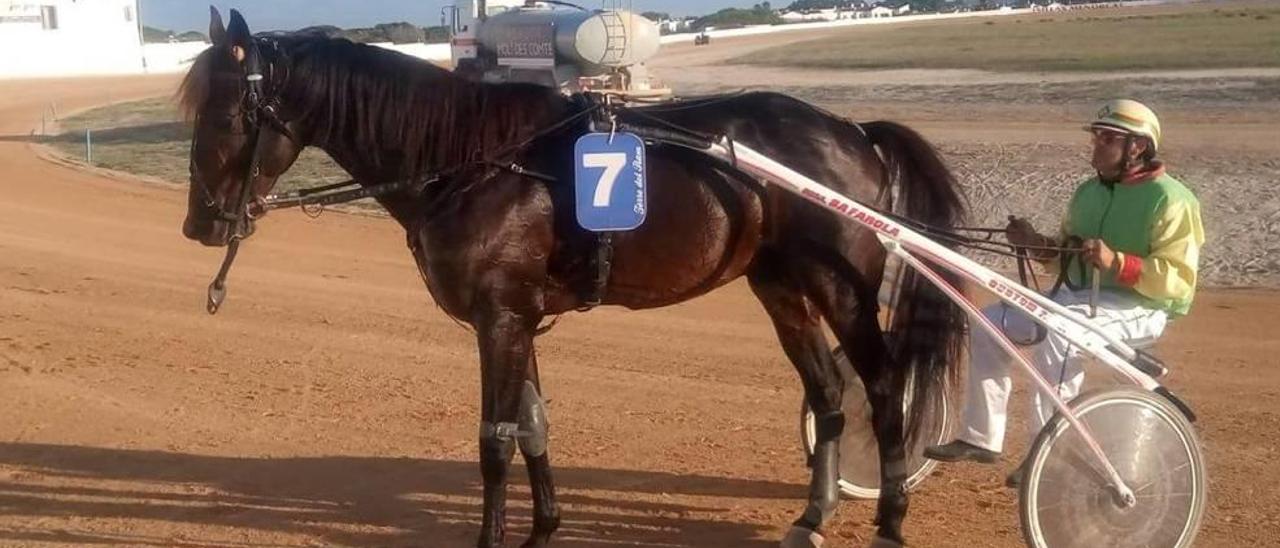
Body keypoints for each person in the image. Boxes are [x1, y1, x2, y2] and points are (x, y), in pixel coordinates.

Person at [923, 99, 1206, 485]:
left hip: (1140, 307)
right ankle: (982, 438)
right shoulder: (1088, 192)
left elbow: (1178, 280)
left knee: (1060, 335)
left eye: (1107, 138)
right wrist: (1035, 244)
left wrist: (1116, 261)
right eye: (1096, 137)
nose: (1096, 146)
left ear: (1137, 147)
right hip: (1077, 300)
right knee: (990, 323)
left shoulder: (1172, 200)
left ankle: (1047, 451)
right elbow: (1064, 257)